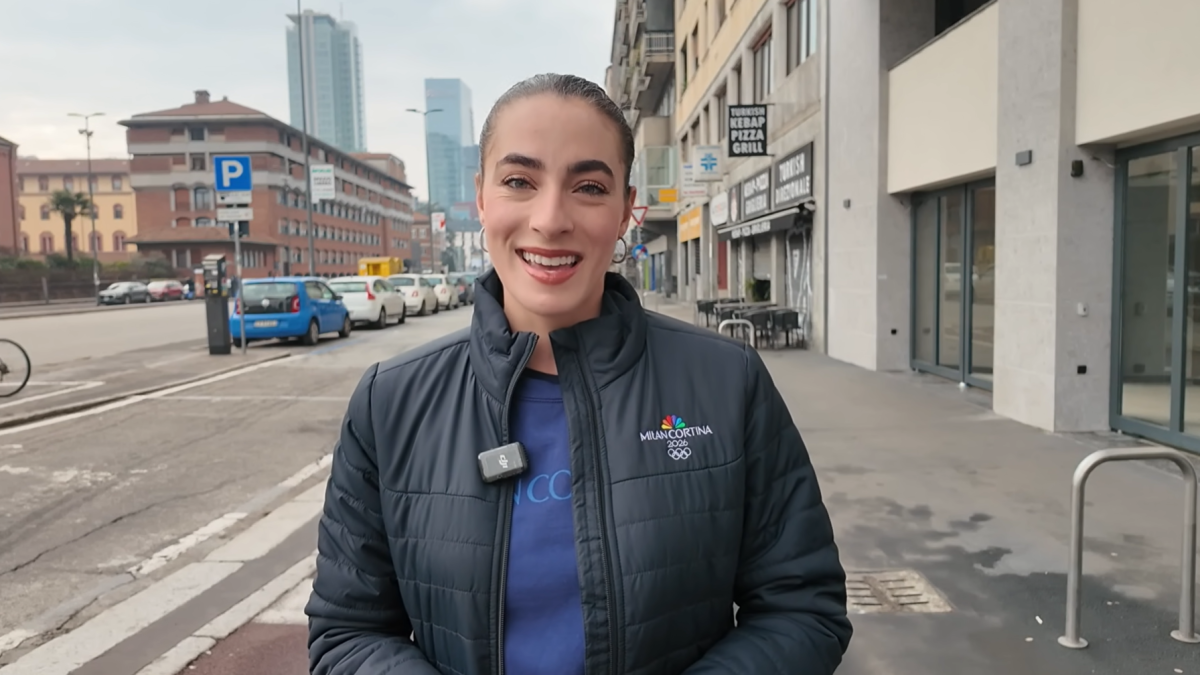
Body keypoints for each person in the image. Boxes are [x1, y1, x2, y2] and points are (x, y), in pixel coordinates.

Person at [306, 73, 852, 675]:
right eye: (519, 181)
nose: (550, 218)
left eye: (588, 186)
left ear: (625, 211)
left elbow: (803, 609)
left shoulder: (728, 382)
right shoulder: (392, 403)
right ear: (482, 198)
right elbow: (349, 633)